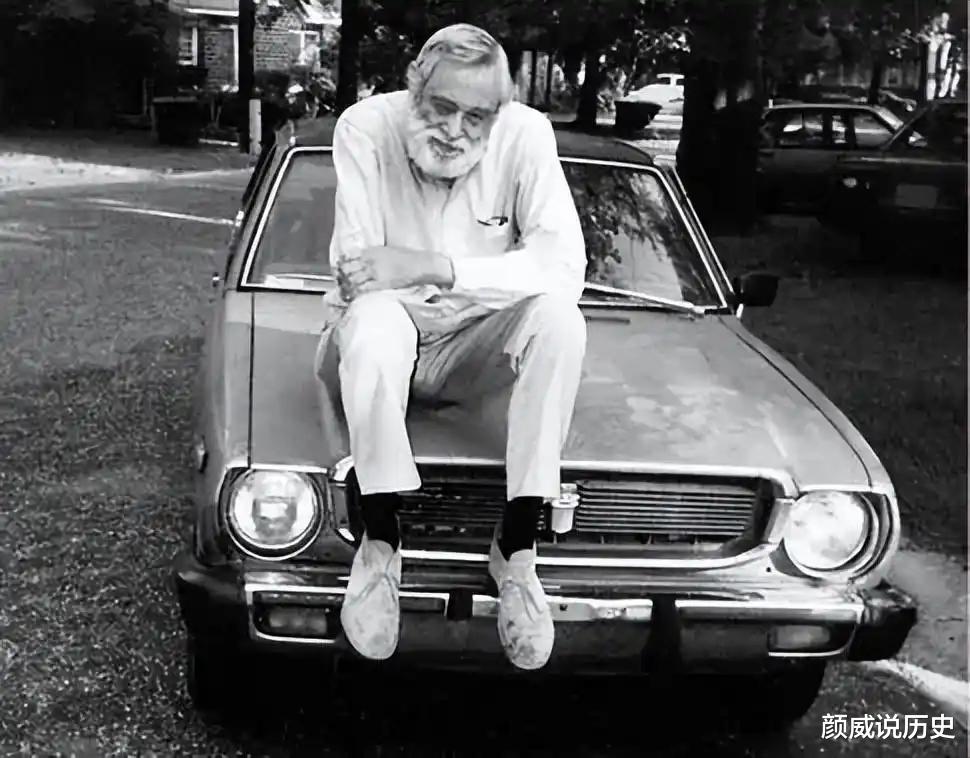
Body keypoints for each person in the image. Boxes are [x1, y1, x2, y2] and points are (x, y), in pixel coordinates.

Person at [315, 23, 588, 671]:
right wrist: (483, 276)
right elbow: (360, 275)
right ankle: (381, 542)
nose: (455, 130)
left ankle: (516, 550)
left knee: (559, 321)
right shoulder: (363, 128)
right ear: (414, 87)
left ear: (499, 112)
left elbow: (563, 267)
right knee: (375, 318)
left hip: (473, 346)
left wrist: (434, 267)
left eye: (476, 116)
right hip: (380, 338)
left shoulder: (526, 135)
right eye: (441, 107)